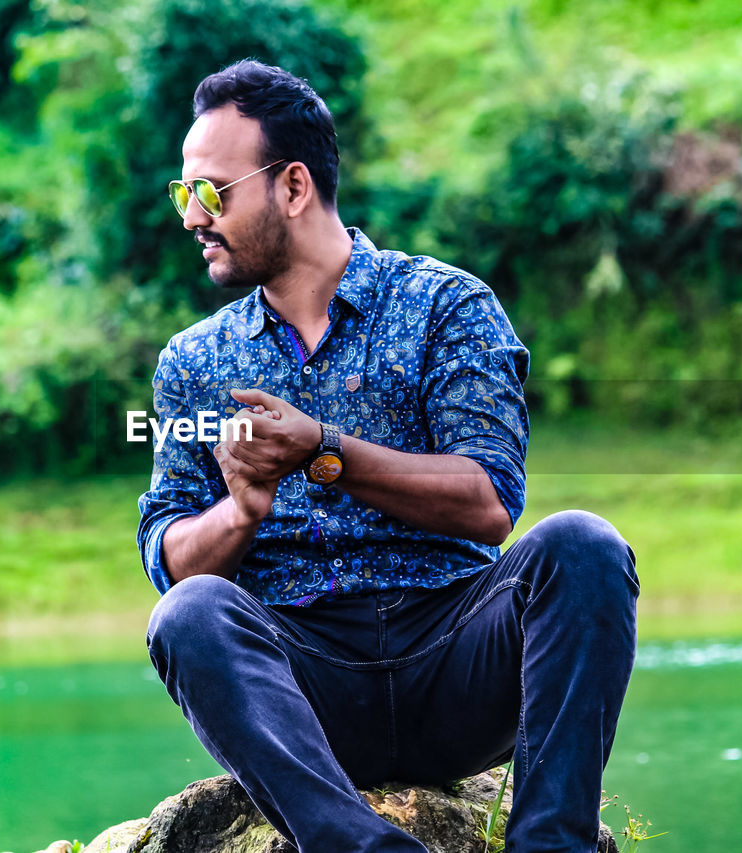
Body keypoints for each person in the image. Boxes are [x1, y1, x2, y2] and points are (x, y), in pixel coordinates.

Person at [137, 59, 639, 853]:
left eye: (211, 192)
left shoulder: (447, 307)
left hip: (458, 661)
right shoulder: (194, 363)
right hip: (306, 689)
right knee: (189, 612)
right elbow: (169, 557)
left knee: (583, 545)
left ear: (293, 186)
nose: (192, 216)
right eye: (182, 193)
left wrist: (325, 451)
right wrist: (241, 511)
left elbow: (489, 501)